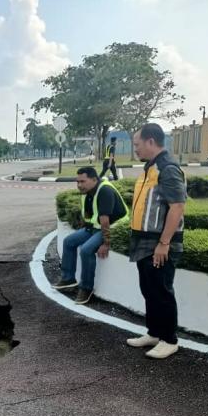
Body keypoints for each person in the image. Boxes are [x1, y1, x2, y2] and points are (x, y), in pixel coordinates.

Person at [126, 123, 187, 359]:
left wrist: (164, 243)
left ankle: (169, 340)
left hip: (158, 243)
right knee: (149, 289)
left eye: (137, 145)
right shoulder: (149, 168)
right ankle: (154, 333)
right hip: (143, 240)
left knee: (161, 290)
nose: (135, 149)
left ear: (151, 142)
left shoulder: (167, 168)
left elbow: (177, 207)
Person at [53, 167, 129, 304]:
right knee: (69, 241)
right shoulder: (87, 191)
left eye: (83, 181)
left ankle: (86, 288)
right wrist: (83, 229)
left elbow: (105, 220)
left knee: (86, 250)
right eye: (77, 182)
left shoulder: (105, 191)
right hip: (95, 227)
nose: (79, 185)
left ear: (94, 179)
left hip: (112, 227)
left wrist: (106, 244)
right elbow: (88, 214)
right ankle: (68, 278)